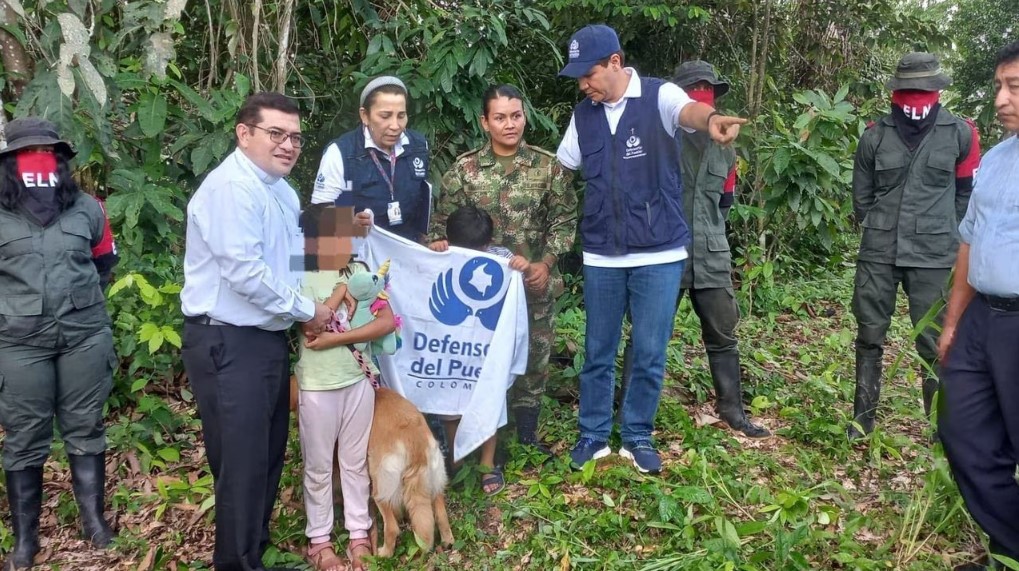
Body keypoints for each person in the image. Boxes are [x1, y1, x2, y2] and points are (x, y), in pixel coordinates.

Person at [555, 24, 747, 475]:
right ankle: (593, 434)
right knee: (598, 348)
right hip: (603, 252)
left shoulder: (658, 96)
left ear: (616, 62)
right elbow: (563, 167)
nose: (584, 84)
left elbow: (689, 114)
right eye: (578, 77)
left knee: (648, 349)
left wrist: (710, 120)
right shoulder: (583, 115)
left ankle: (638, 434)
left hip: (658, 252)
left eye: (589, 73)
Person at [180, 92, 334, 571]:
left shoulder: (281, 191)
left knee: (266, 454)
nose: (288, 145)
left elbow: (292, 257)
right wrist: (308, 310)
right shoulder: (232, 188)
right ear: (244, 133)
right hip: (227, 339)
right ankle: (234, 561)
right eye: (276, 134)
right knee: (241, 461)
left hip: (265, 339)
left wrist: (351, 228)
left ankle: (254, 546)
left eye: (295, 137)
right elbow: (246, 272)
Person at [428, 84, 577, 460]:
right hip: (477, 297)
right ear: (485, 122)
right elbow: (440, 224)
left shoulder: (547, 167)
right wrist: (439, 245)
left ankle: (525, 436)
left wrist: (546, 263)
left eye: (516, 115)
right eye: (500, 117)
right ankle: (475, 440)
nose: (510, 124)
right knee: (477, 362)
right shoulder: (465, 169)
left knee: (533, 360)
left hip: (531, 286)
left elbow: (564, 222)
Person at [620, 61, 769, 439]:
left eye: (709, 89)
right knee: (646, 336)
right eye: (696, 89)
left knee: (723, 334)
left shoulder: (727, 150)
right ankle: (627, 413)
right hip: (663, 253)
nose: (705, 95)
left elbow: (725, 203)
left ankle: (733, 412)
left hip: (712, 253)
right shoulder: (658, 137)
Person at [0, 117, 119, 569]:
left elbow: (103, 264)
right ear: (12, 164)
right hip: (17, 341)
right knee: (25, 437)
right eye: (29, 156)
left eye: (47, 156)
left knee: (85, 426)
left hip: (83, 335)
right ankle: (25, 541)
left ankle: (94, 521)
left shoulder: (88, 208)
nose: (39, 163)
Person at [848, 52, 980, 440]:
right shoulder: (874, 135)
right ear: (896, 91)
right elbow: (862, 198)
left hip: (935, 257)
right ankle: (862, 421)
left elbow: (966, 195)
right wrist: (883, 225)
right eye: (909, 89)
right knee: (870, 334)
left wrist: (943, 232)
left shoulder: (961, 133)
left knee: (935, 341)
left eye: (924, 89)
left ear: (938, 91)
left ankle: (940, 430)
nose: (916, 97)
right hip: (879, 254)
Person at [937, 40, 1019, 570]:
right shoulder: (994, 158)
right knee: (964, 436)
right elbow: (970, 241)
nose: (1001, 99)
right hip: (982, 320)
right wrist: (952, 322)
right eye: (999, 87)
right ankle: (1011, 548)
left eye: (1015, 88)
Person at [296, 204, 392, 571]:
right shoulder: (300, 276)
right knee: (318, 467)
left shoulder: (363, 272)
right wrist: (339, 289)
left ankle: (359, 535)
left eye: (348, 235)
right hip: (318, 387)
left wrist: (342, 338)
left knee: (355, 464)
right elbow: (310, 328)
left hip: (358, 381)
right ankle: (319, 541)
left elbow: (385, 322)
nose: (345, 242)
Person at [433, 205, 531, 494]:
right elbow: (420, 268)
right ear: (450, 239)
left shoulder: (501, 258)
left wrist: (521, 265)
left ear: (489, 243)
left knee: (490, 400)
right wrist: (433, 250)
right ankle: (457, 461)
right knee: (450, 403)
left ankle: (488, 464)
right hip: (450, 348)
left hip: (488, 349)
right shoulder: (441, 251)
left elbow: (519, 273)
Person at [312, 76, 432, 243]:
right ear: (365, 116)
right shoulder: (340, 152)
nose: (395, 125)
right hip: (360, 257)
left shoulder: (418, 146)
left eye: (401, 116)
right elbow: (318, 215)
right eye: (385, 116)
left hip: (408, 252)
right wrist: (348, 225)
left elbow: (422, 204)